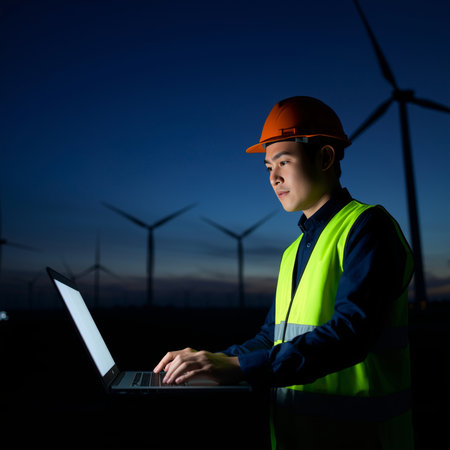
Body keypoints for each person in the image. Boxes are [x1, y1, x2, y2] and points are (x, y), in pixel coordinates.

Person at [154, 96, 415, 450]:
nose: (273, 177)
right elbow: (270, 338)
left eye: (284, 161)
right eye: (267, 168)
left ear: (325, 157)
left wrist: (240, 366)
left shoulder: (368, 228)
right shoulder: (294, 251)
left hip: (362, 439)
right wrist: (207, 363)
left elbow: (351, 334)